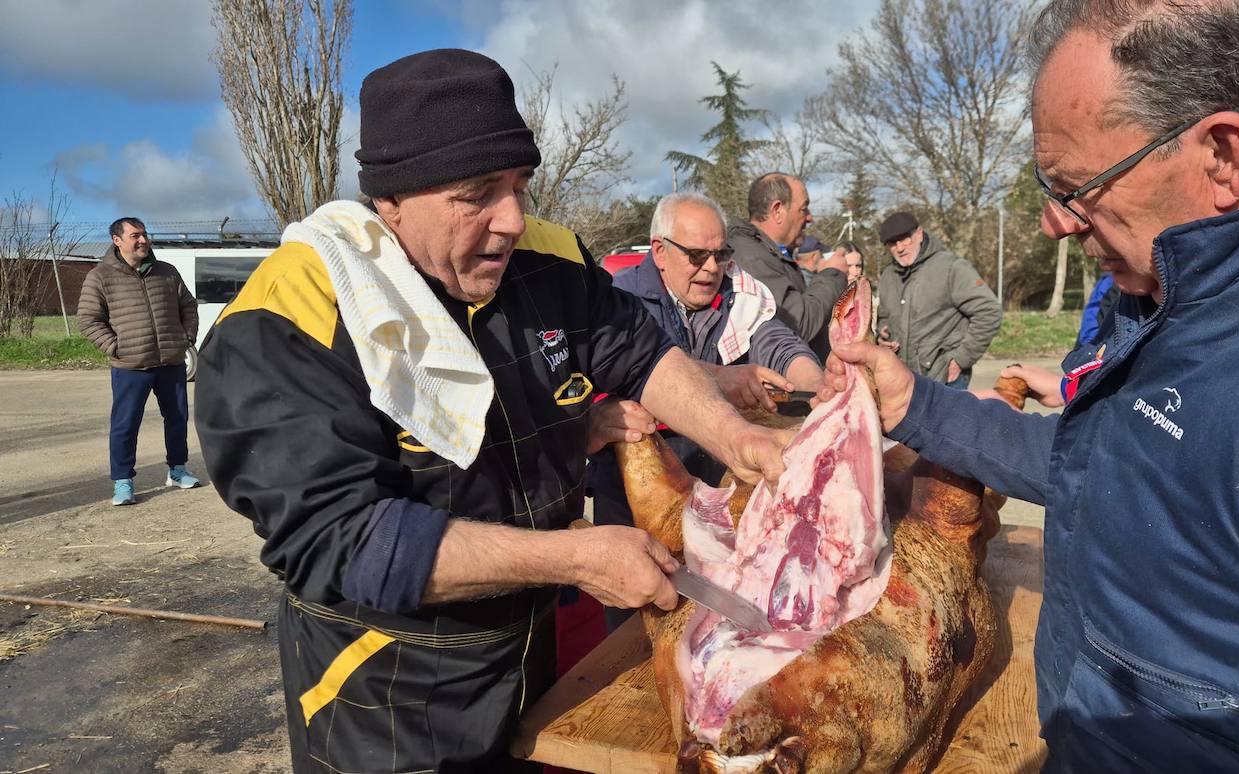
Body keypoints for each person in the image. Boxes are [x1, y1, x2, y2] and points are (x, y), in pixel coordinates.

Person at [194, 49, 787, 773]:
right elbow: (342, 539)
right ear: (391, 201)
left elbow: (638, 350)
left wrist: (738, 437)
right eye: (478, 193)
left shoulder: (548, 257)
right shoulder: (285, 320)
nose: (512, 219)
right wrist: (572, 558)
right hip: (385, 687)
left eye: (521, 185)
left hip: (531, 652)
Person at [822, 0, 1239, 769]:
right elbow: (1111, 461)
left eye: (1076, 185)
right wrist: (911, 402)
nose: (1053, 222)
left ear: (1223, 155)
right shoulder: (1174, 284)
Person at [587, 190, 823, 545]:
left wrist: (818, 389)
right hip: (632, 501)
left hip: (720, 492)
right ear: (660, 252)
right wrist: (719, 377)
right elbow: (617, 373)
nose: (712, 268)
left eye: (722, 254)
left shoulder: (741, 295)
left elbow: (776, 342)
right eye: (697, 255)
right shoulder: (618, 300)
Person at [76, 217, 201, 506]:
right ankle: (123, 482)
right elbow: (88, 319)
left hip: (170, 360)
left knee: (178, 418)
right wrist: (115, 346)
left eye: (144, 234)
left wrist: (186, 338)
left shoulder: (166, 272)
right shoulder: (100, 276)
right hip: (131, 366)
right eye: (135, 235)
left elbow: (188, 306)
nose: (143, 240)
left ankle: (178, 470)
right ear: (117, 241)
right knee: (125, 423)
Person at [728, 172, 855, 359]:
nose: (810, 218)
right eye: (804, 209)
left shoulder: (769, 253)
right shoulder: (752, 258)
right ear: (777, 210)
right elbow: (800, 323)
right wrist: (832, 273)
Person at [874, 210, 1002, 389]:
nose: (900, 247)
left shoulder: (952, 268)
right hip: (902, 380)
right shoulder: (888, 276)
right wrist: (883, 333)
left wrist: (961, 359)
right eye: (892, 243)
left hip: (945, 379)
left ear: (919, 233)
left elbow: (989, 312)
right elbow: (884, 316)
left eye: (905, 239)